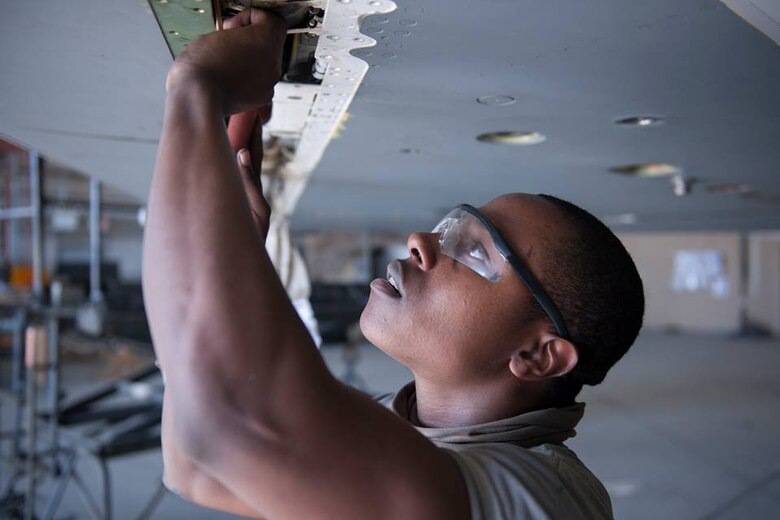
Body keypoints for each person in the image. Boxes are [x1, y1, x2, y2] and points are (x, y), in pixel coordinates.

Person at [143, 9, 644, 520]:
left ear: (537, 355)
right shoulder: (399, 420)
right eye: (450, 229)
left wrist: (199, 88)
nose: (420, 241)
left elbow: (227, 425)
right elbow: (195, 469)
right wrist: (233, 232)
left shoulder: (545, 497)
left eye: (474, 251)